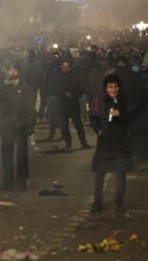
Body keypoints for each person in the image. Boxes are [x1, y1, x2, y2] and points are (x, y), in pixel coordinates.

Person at [89, 74, 137, 212]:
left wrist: (121, 114)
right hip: (104, 142)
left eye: (115, 86)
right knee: (100, 173)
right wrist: (98, 130)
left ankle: (119, 201)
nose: (113, 89)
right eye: (110, 86)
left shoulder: (125, 99)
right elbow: (93, 117)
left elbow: (133, 118)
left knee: (121, 173)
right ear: (106, 87)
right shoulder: (99, 99)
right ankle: (97, 202)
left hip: (120, 141)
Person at [0, 63, 36, 191]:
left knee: (21, 154)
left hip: (21, 125)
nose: (12, 72)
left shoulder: (25, 87)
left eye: (14, 70)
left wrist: (30, 125)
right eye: (10, 70)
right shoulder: (3, 87)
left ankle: (21, 180)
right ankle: (7, 181)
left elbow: (30, 108)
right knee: (6, 154)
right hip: (7, 126)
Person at [53, 60, 91, 150]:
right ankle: (68, 144)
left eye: (67, 67)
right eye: (64, 67)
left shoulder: (75, 77)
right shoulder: (58, 77)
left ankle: (83, 143)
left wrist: (74, 94)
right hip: (62, 105)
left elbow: (81, 89)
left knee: (79, 126)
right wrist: (64, 93)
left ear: (70, 68)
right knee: (64, 127)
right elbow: (55, 89)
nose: (66, 69)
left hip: (73, 104)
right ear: (61, 68)